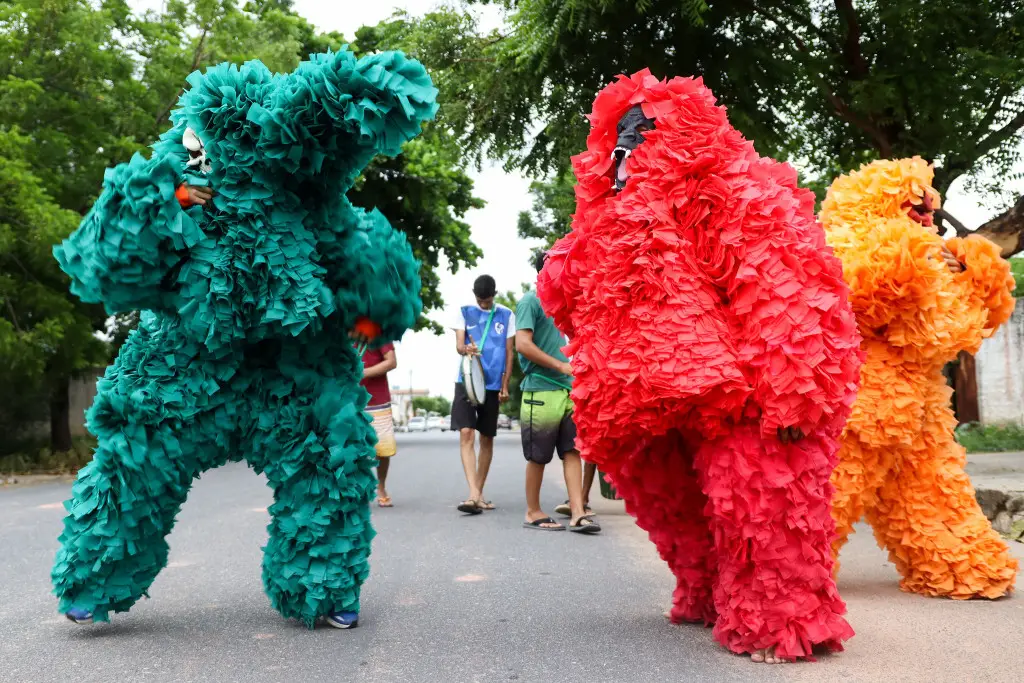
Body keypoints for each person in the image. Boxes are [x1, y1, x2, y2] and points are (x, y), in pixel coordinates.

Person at [517, 253, 600, 533]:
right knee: (538, 456)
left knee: (572, 451)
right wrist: (561, 366)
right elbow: (522, 345)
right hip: (540, 388)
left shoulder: (566, 303)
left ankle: (578, 511)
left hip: (569, 391)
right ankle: (532, 511)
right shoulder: (530, 300)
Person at [450, 274, 515, 515]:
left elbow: (510, 352)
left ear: (494, 295)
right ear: (474, 295)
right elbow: (458, 345)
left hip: (491, 384)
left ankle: (479, 492)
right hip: (467, 380)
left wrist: (505, 384)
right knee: (466, 432)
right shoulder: (463, 311)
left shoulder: (506, 315)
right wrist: (466, 348)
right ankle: (473, 494)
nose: (484, 304)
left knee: (486, 437)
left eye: (487, 300)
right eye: (480, 300)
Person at [361, 343, 398, 507]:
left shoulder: (379, 330)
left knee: (382, 450)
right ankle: (354, 490)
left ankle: (381, 487)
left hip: (377, 400)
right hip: (347, 398)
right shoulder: (339, 330)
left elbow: (391, 361)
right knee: (347, 448)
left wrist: (361, 373)